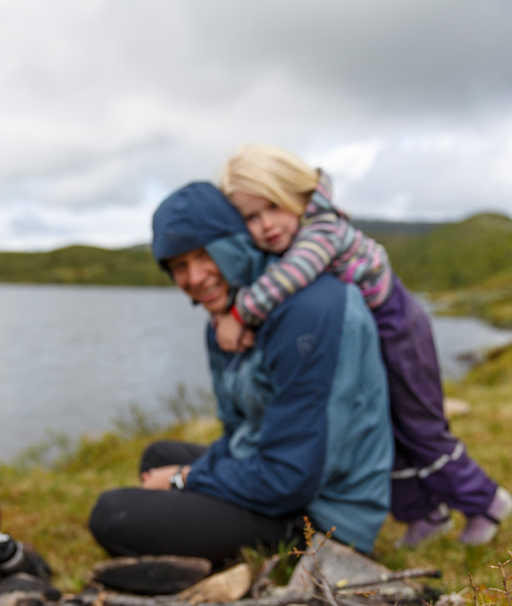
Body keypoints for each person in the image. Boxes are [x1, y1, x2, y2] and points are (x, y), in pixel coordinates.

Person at [218, 143, 511, 547]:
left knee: (421, 428)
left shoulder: (321, 231)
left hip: (398, 330)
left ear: (297, 192)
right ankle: (424, 513)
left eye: (273, 205)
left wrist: (239, 313)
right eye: (251, 217)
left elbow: (291, 276)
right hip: (370, 337)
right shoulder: (297, 234)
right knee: (382, 430)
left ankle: (485, 501)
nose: (266, 224)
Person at [88, 181, 393, 565]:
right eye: (179, 266)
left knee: (113, 515)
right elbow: (239, 433)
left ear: (234, 243)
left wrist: (186, 478)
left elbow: (291, 478)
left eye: (205, 255)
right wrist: (190, 473)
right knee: (157, 457)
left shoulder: (307, 312)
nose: (195, 278)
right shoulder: (231, 317)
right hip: (285, 478)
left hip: (323, 517)